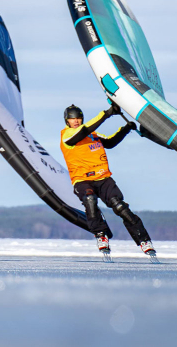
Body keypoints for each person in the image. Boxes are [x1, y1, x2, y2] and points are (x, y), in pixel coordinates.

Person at [60, 102, 156, 258]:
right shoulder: (67, 136)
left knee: (120, 207)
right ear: (67, 121)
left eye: (78, 118)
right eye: (72, 119)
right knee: (90, 199)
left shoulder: (93, 136)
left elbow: (110, 142)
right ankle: (100, 234)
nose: (76, 121)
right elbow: (84, 130)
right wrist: (108, 113)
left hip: (103, 178)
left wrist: (126, 129)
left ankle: (144, 241)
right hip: (82, 180)